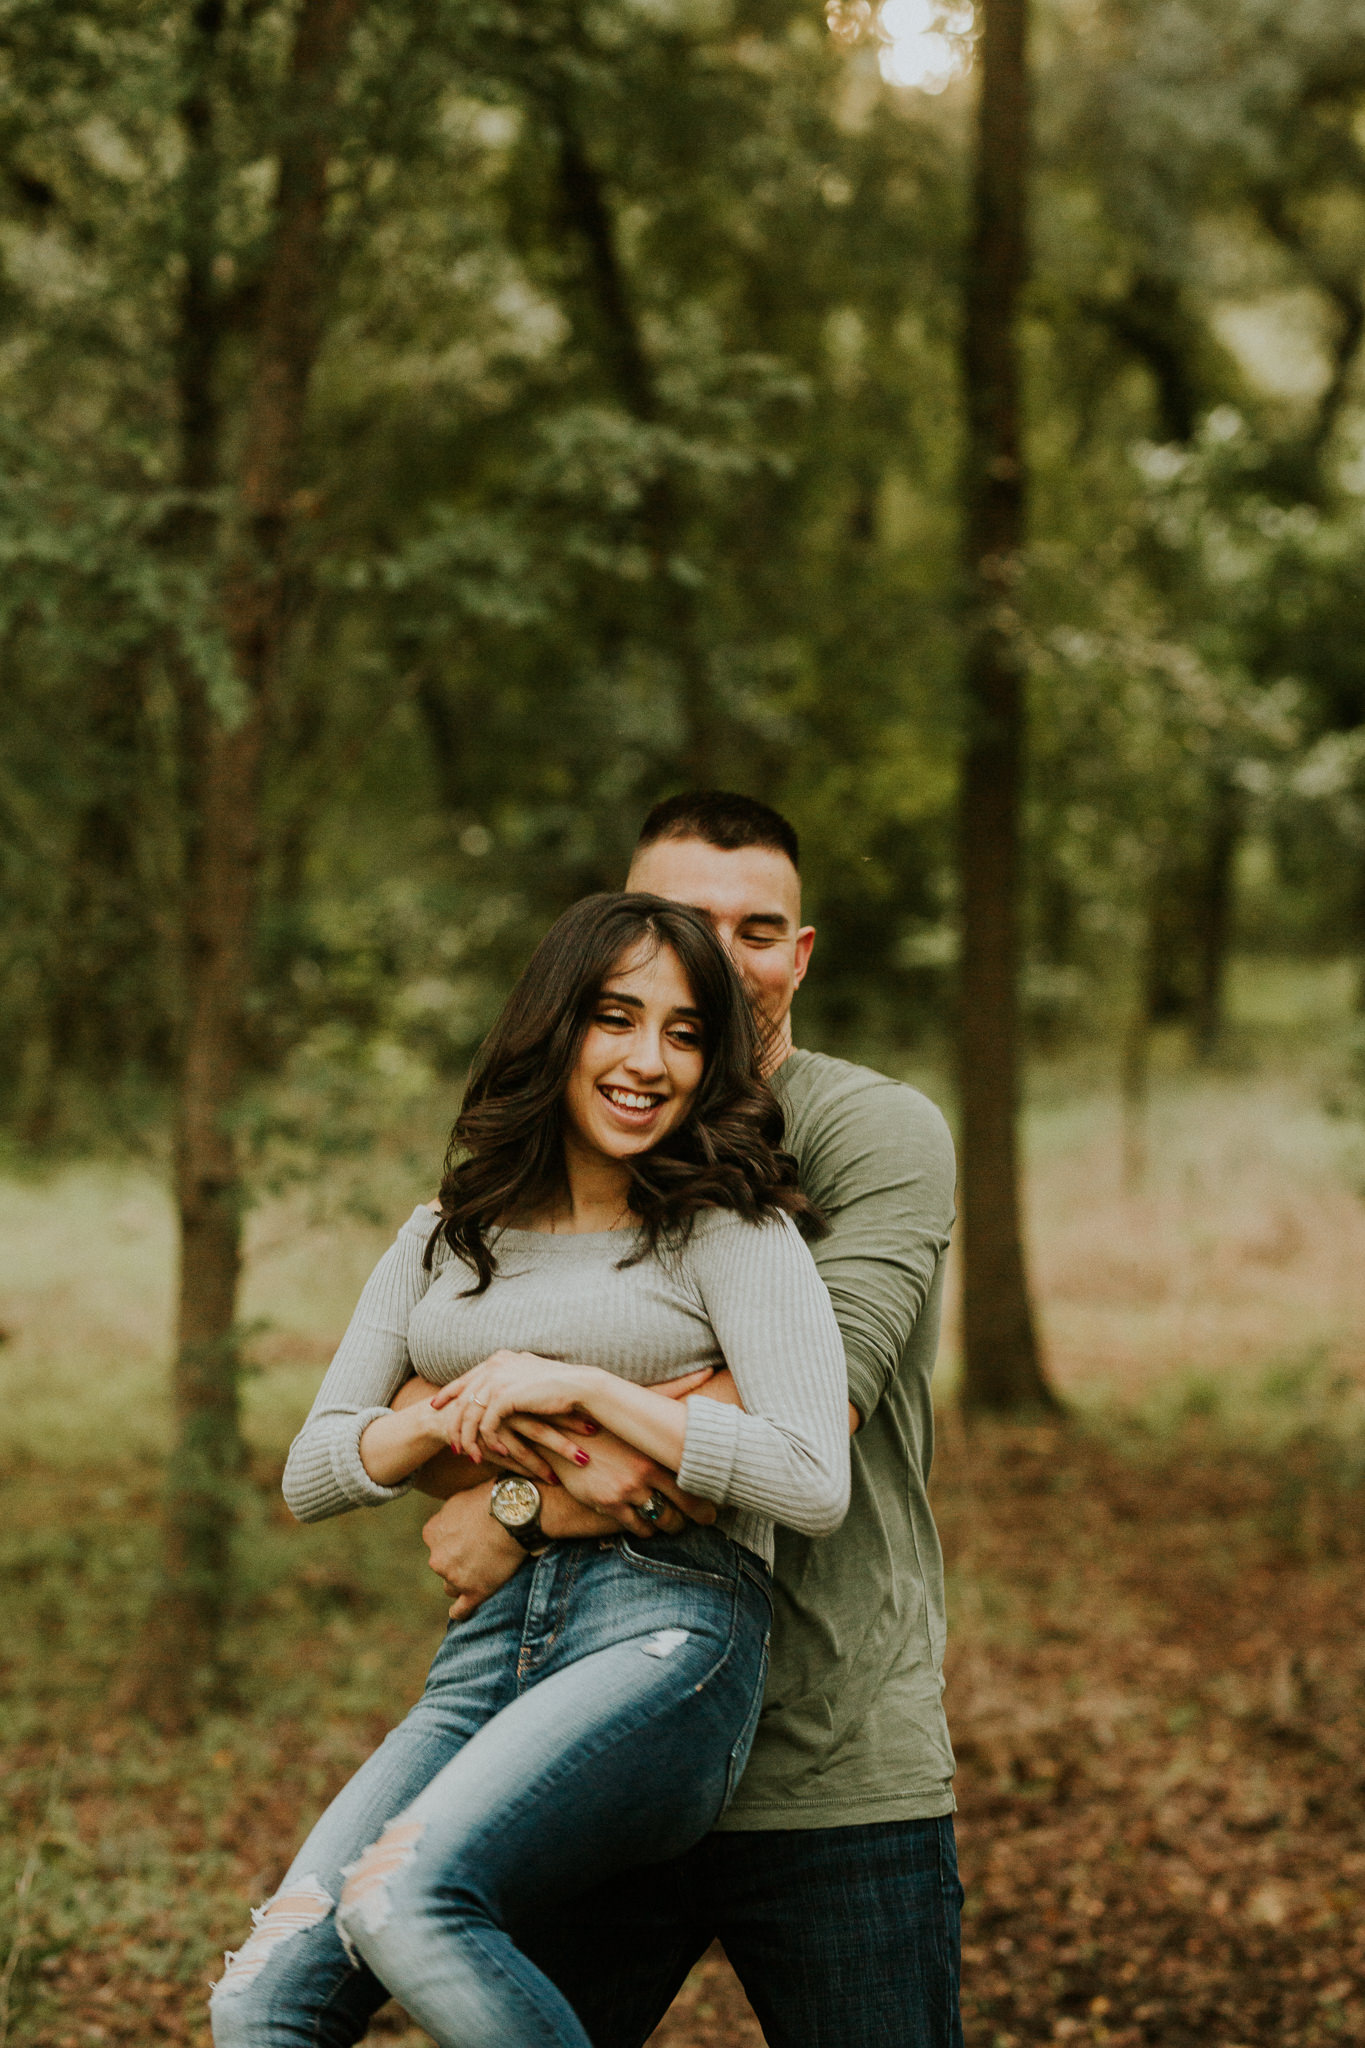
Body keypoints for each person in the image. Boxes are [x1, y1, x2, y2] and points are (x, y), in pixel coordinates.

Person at [209, 892, 851, 2048]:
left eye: (687, 1032)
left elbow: (812, 1476)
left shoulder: (732, 1229)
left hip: (673, 1629)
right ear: (556, 1026)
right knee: (262, 1998)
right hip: (487, 1648)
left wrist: (592, 1391)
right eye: (617, 1017)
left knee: (407, 1900)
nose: (648, 1060)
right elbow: (314, 1469)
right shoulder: (445, 1233)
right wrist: (443, 1419)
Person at [420, 792, 963, 2048]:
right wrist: (483, 1434)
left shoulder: (873, 1131)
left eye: (757, 930)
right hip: (592, 1742)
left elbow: (786, 1431)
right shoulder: (565, 1140)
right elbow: (429, 1388)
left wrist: (517, 1503)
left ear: (802, 952)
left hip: (832, 1761)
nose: (722, 960)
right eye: (685, 922)